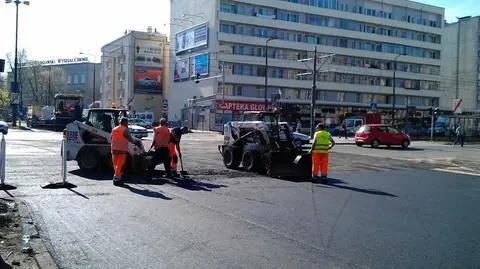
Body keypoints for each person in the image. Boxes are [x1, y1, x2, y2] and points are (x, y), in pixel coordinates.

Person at [111, 117, 142, 186]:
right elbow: (131, 139)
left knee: (115, 164)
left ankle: (117, 176)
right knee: (119, 164)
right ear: (125, 122)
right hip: (122, 150)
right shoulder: (125, 130)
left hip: (113, 149)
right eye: (127, 122)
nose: (128, 124)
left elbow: (111, 138)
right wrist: (137, 142)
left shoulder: (114, 129)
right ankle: (116, 178)